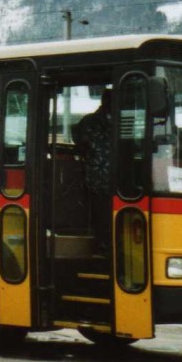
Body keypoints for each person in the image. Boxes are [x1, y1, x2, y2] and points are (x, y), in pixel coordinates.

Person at [74, 89, 112, 254]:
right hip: (100, 177)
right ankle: (102, 244)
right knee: (101, 212)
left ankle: (103, 242)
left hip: (102, 175)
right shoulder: (91, 121)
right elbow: (80, 142)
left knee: (103, 212)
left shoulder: (89, 121)